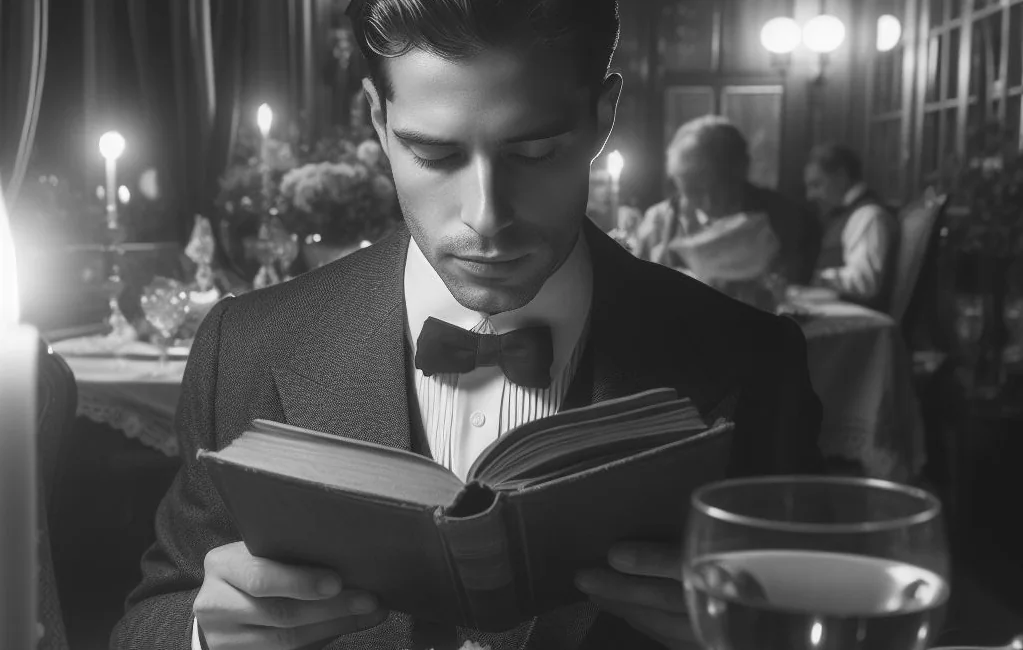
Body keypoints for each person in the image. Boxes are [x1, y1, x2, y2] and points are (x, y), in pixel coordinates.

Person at [111, 1, 824, 649]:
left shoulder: (754, 362)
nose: (485, 217)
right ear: (377, 121)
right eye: (436, 153)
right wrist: (204, 637)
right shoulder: (243, 347)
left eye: (534, 152)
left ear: (600, 119)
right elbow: (150, 619)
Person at [635, 115, 821, 285]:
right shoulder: (659, 221)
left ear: (743, 169)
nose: (708, 203)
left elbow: (799, 287)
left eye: (719, 187)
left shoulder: (787, 219)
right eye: (694, 192)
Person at [805, 142, 900, 312]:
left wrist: (811, 276)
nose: (810, 195)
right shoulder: (844, 216)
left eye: (817, 185)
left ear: (841, 176)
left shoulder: (868, 215)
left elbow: (865, 282)